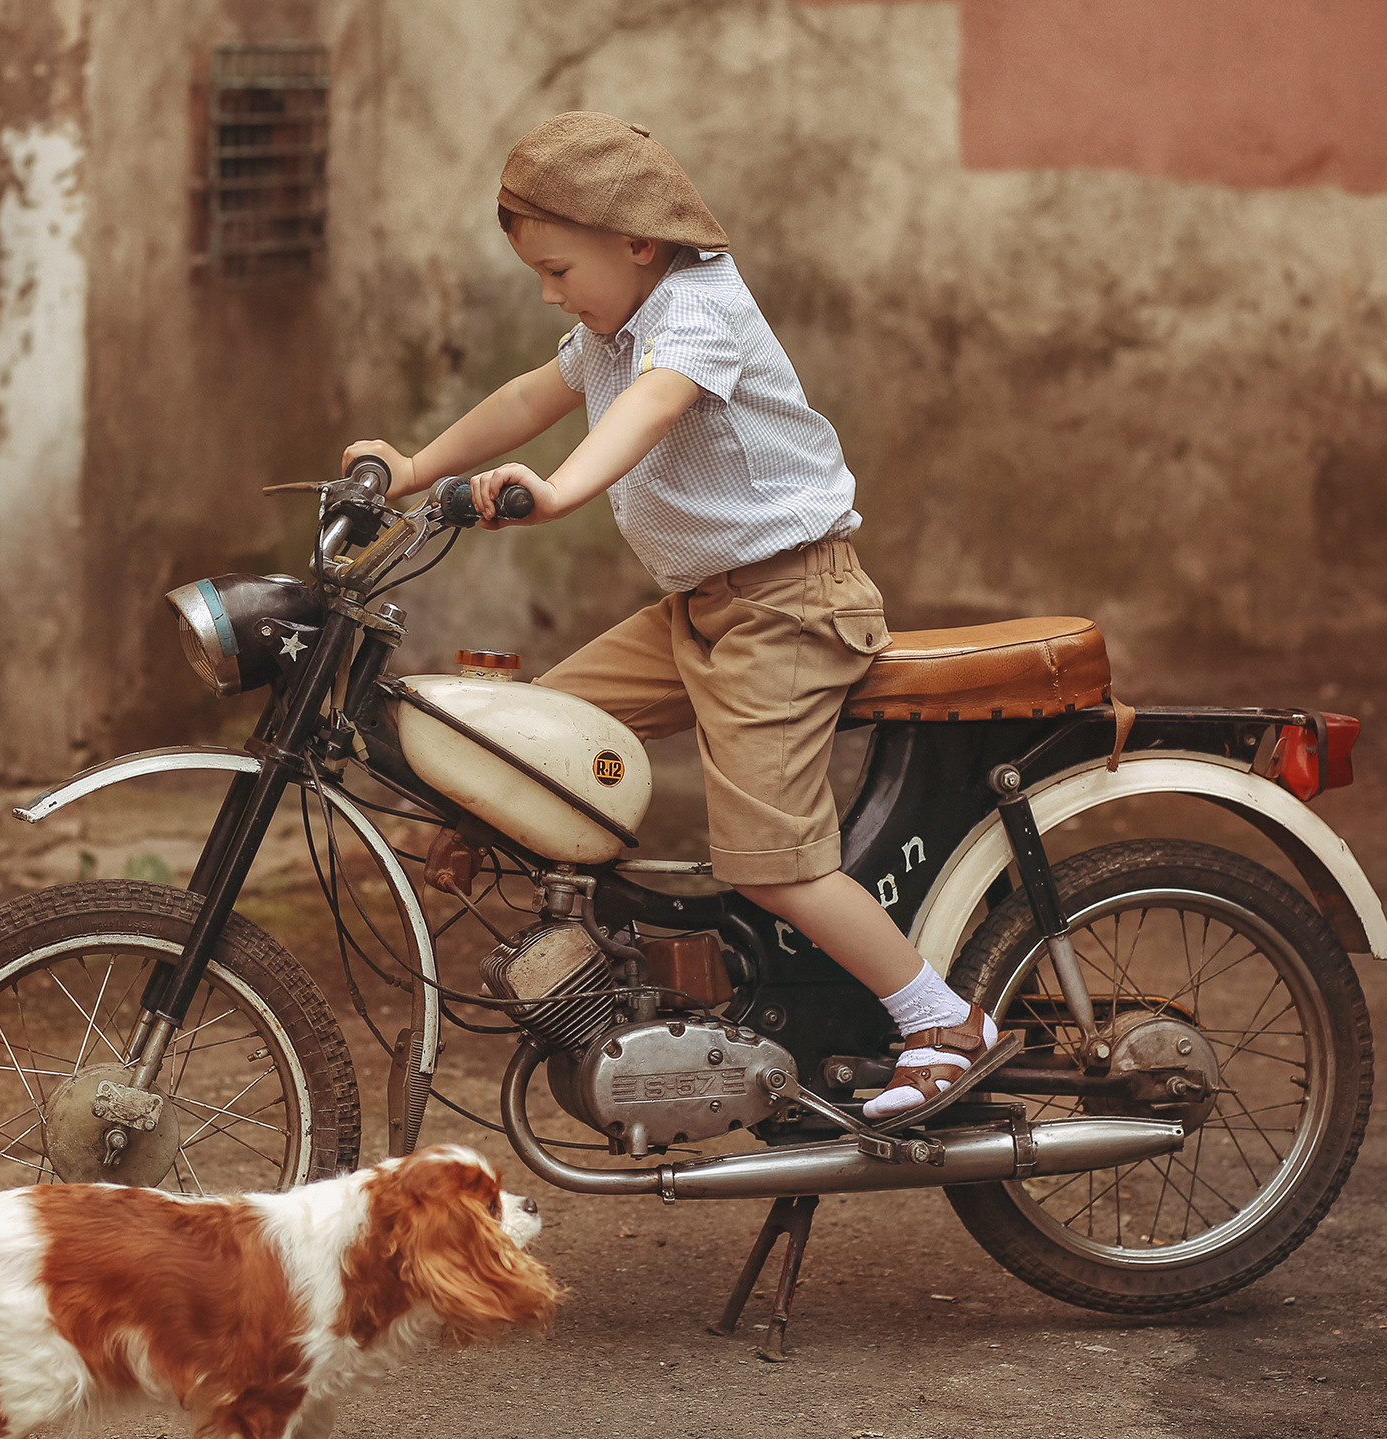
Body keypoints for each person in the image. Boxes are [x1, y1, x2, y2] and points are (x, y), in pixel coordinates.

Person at [343, 112, 997, 1119]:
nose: (553, 293)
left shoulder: (698, 312)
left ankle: (941, 1018)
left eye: (560, 270)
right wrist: (415, 469)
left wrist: (555, 494)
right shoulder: (612, 326)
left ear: (637, 242)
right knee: (523, 741)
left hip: (790, 606)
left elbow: (654, 406)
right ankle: (624, 978)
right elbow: (527, 395)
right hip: (700, 609)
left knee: (771, 864)